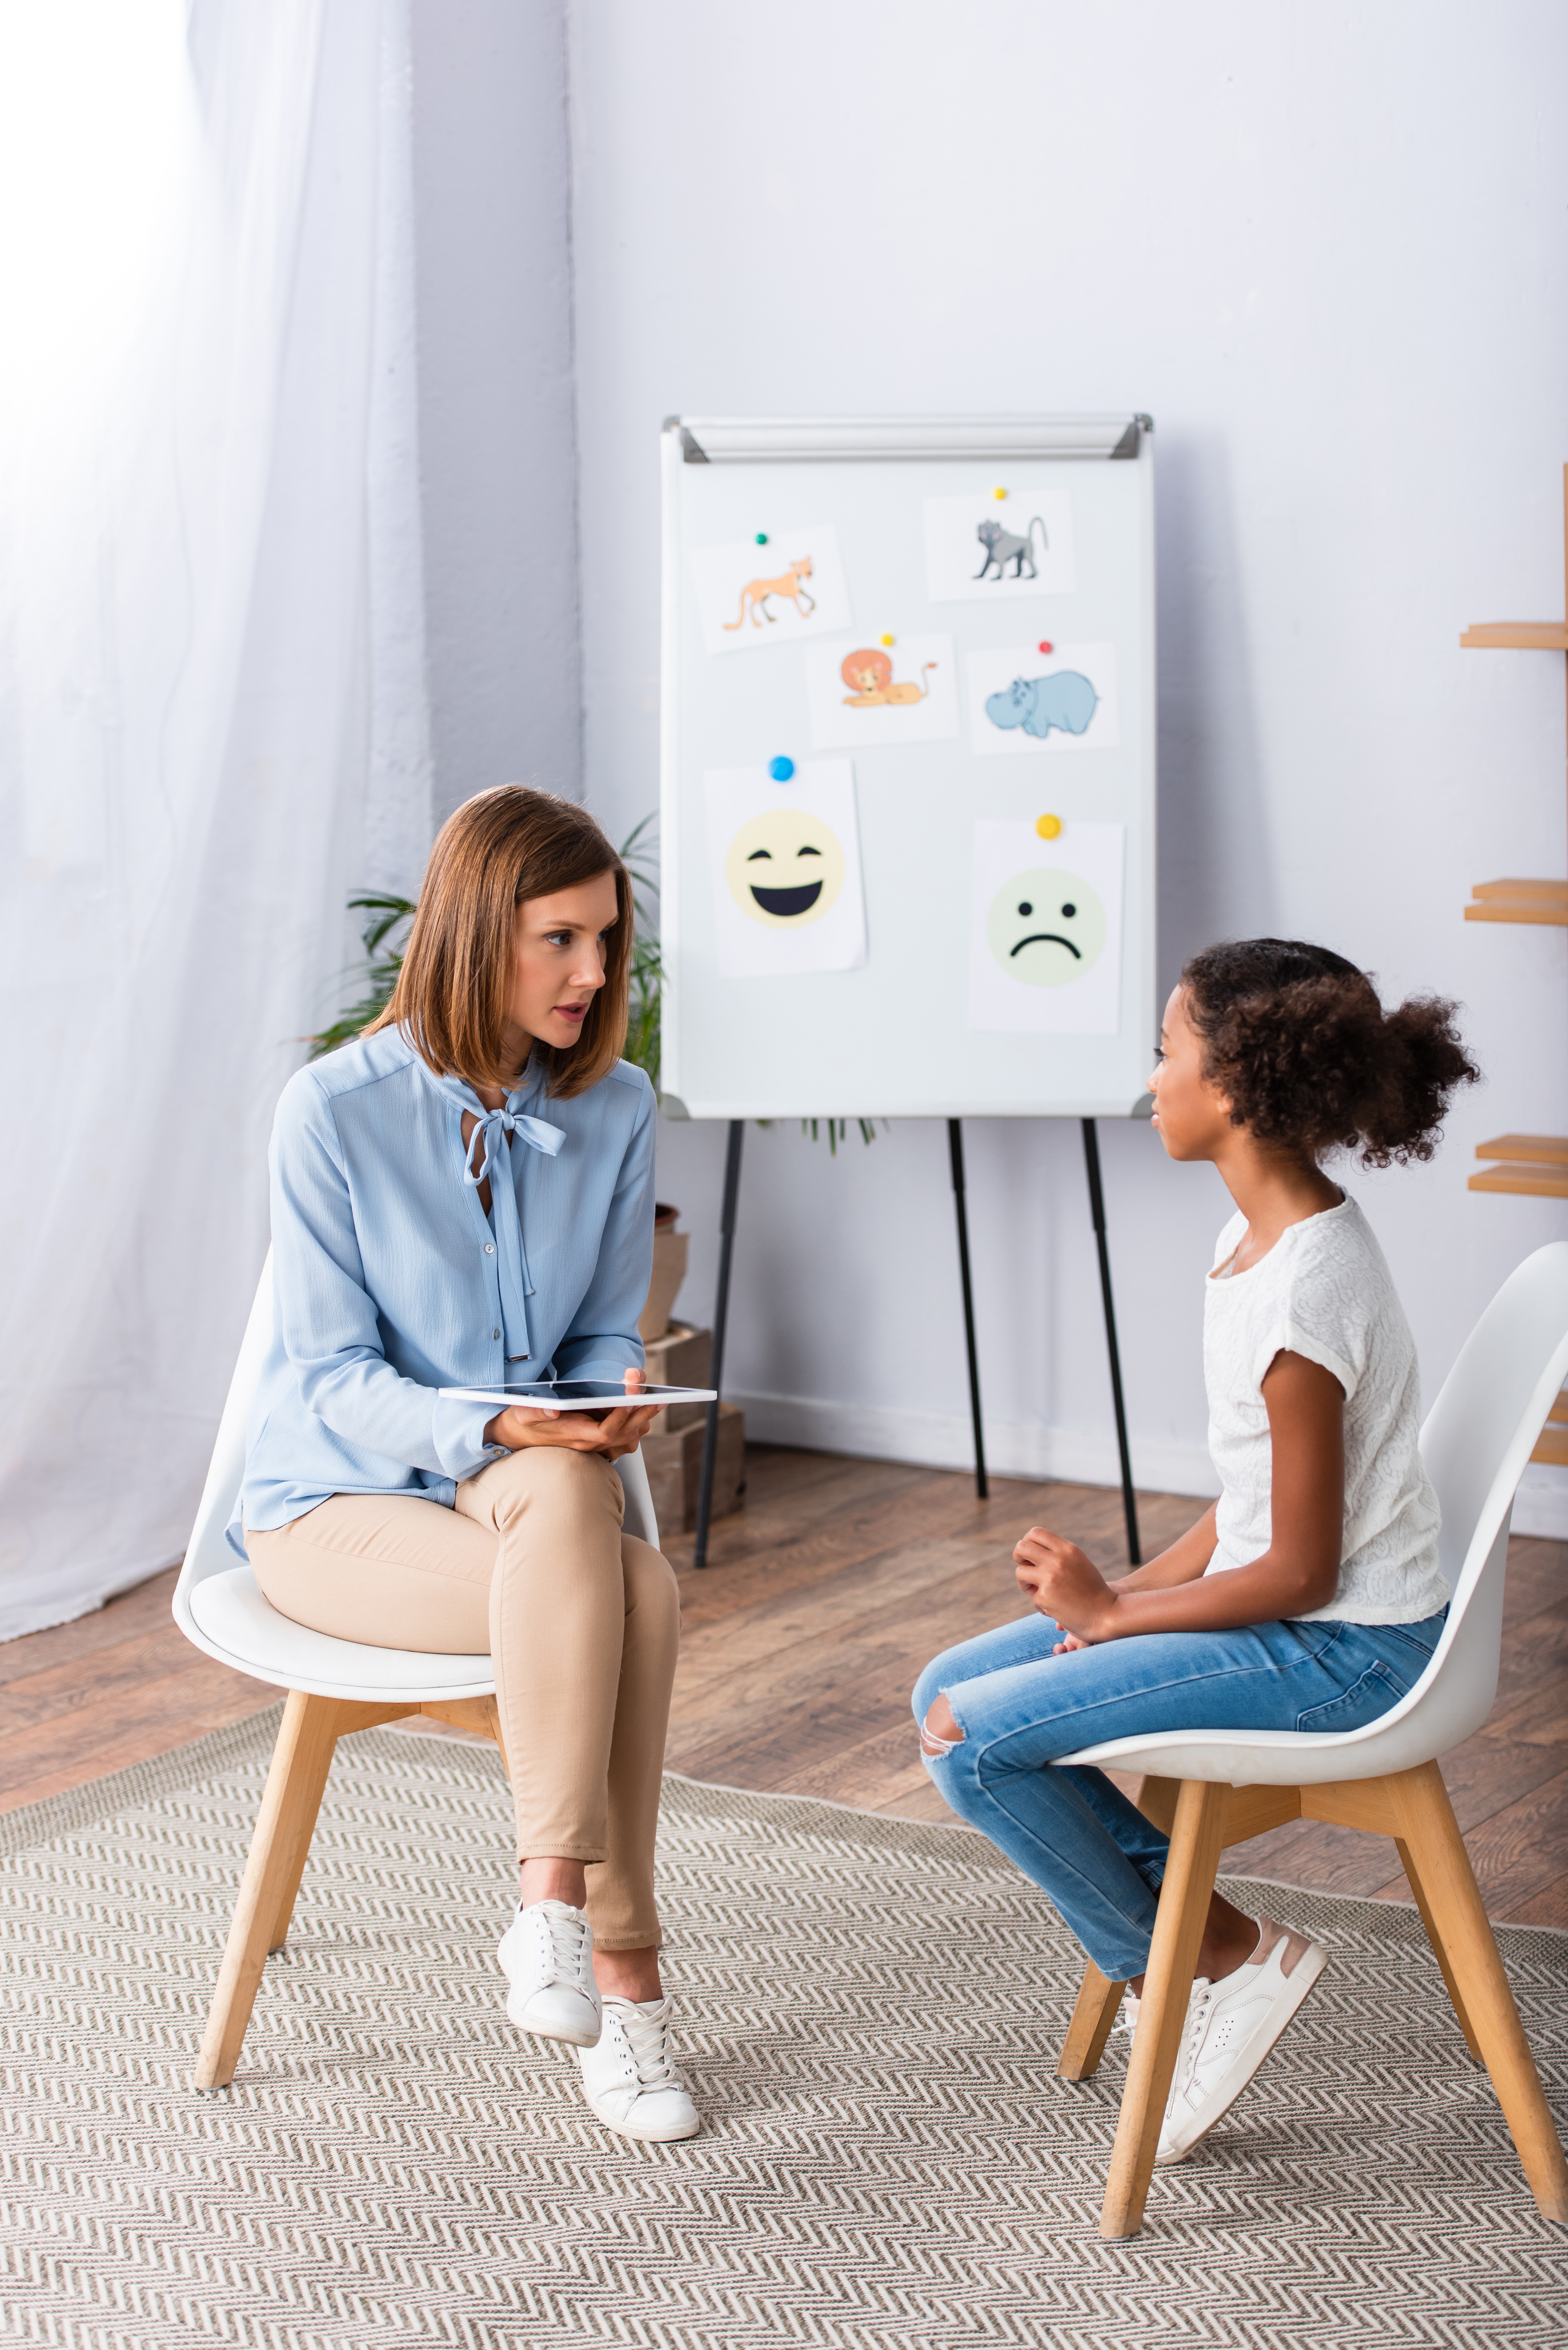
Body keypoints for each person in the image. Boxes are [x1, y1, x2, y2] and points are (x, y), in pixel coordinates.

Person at [913, 939, 1480, 2165]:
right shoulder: (1257, 1249)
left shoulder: (1305, 1296)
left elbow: (1304, 1574)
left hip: (1348, 1652)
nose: (1151, 1077)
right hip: (1292, 1618)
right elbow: (1246, 1512)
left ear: (1233, 1089)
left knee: (969, 1733)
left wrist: (1116, 1623)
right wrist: (1121, 1595)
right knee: (939, 1696)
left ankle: (1215, 1962)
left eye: (1166, 1051)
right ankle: (1197, 1953)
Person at [238, 785, 699, 2144]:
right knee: (641, 1595)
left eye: (607, 939)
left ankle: (545, 1906)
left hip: (522, 1487)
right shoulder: (331, 1112)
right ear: (473, 932)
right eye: (560, 939)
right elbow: (327, 1379)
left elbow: (611, 1323)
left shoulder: (611, 1106)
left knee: (571, 1495)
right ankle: (629, 1987)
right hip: (337, 1501)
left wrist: (619, 1392)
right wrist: (500, 1427)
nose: (596, 973)